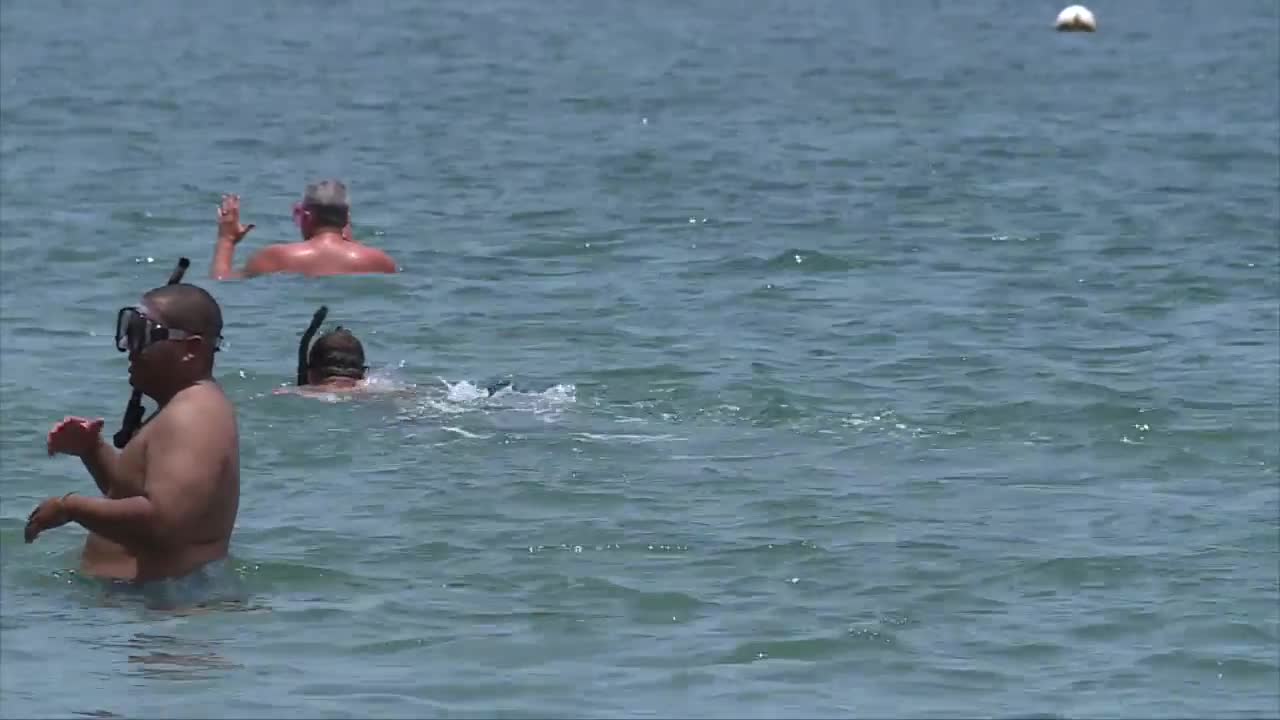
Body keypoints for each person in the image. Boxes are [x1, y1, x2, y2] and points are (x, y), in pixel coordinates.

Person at [25, 283, 241, 587]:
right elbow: (135, 495)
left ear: (190, 349)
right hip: (148, 607)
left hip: (166, 609)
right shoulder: (181, 408)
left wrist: (70, 507)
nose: (128, 345)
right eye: (127, 330)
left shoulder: (192, 415)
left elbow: (161, 521)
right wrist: (93, 450)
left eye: (142, 333)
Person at [211, 179, 397, 279]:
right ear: (346, 218)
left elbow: (221, 281)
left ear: (306, 217)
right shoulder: (381, 262)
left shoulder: (273, 257)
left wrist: (226, 240)